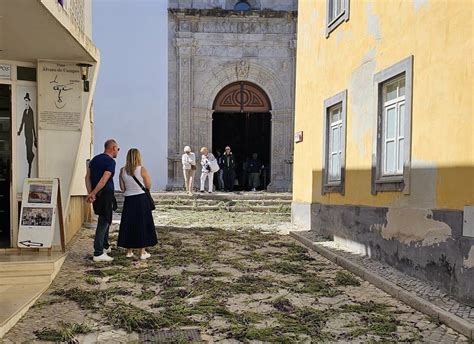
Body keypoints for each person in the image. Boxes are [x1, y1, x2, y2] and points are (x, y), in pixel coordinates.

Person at [117, 148, 157, 260]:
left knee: (128, 224)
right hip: (141, 199)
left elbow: (122, 188)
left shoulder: (122, 170)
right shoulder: (142, 170)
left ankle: (129, 251)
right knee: (142, 224)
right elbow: (148, 185)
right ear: (138, 157)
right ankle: (142, 252)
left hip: (129, 200)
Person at [85, 139, 120, 262]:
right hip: (105, 195)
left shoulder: (94, 159)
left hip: (97, 195)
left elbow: (87, 177)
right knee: (104, 221)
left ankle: (105, 246)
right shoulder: (110, 161)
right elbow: (104, 180)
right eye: (118, 149)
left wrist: (91, 193)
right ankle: (98, 252)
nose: (118, 152)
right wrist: (93, 193)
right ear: (113, 148)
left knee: (105, 219)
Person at [17, 93, 37, 178]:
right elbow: (22, 122)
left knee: (28, 152)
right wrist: (19, 131)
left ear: (29, 102)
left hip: (30, 135)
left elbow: (33, 125)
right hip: (26, 134)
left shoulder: (31, 112)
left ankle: (29, 172)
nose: (25, 103)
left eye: (27, 101)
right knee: (27, 152)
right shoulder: (25, 112)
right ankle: (31, 156)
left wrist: (35, 137)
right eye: (25, 101)